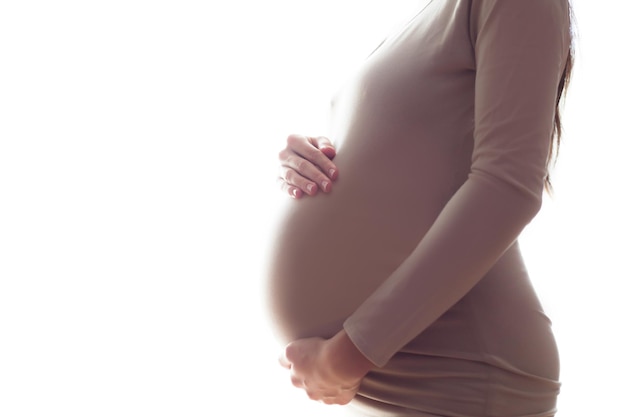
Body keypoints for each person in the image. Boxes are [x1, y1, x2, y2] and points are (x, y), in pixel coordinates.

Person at [267, 0, 574, 415]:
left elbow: (506, 189)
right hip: (407, 386)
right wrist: (309, 160)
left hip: (467, 381)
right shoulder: (428, 15)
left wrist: (348, 355)